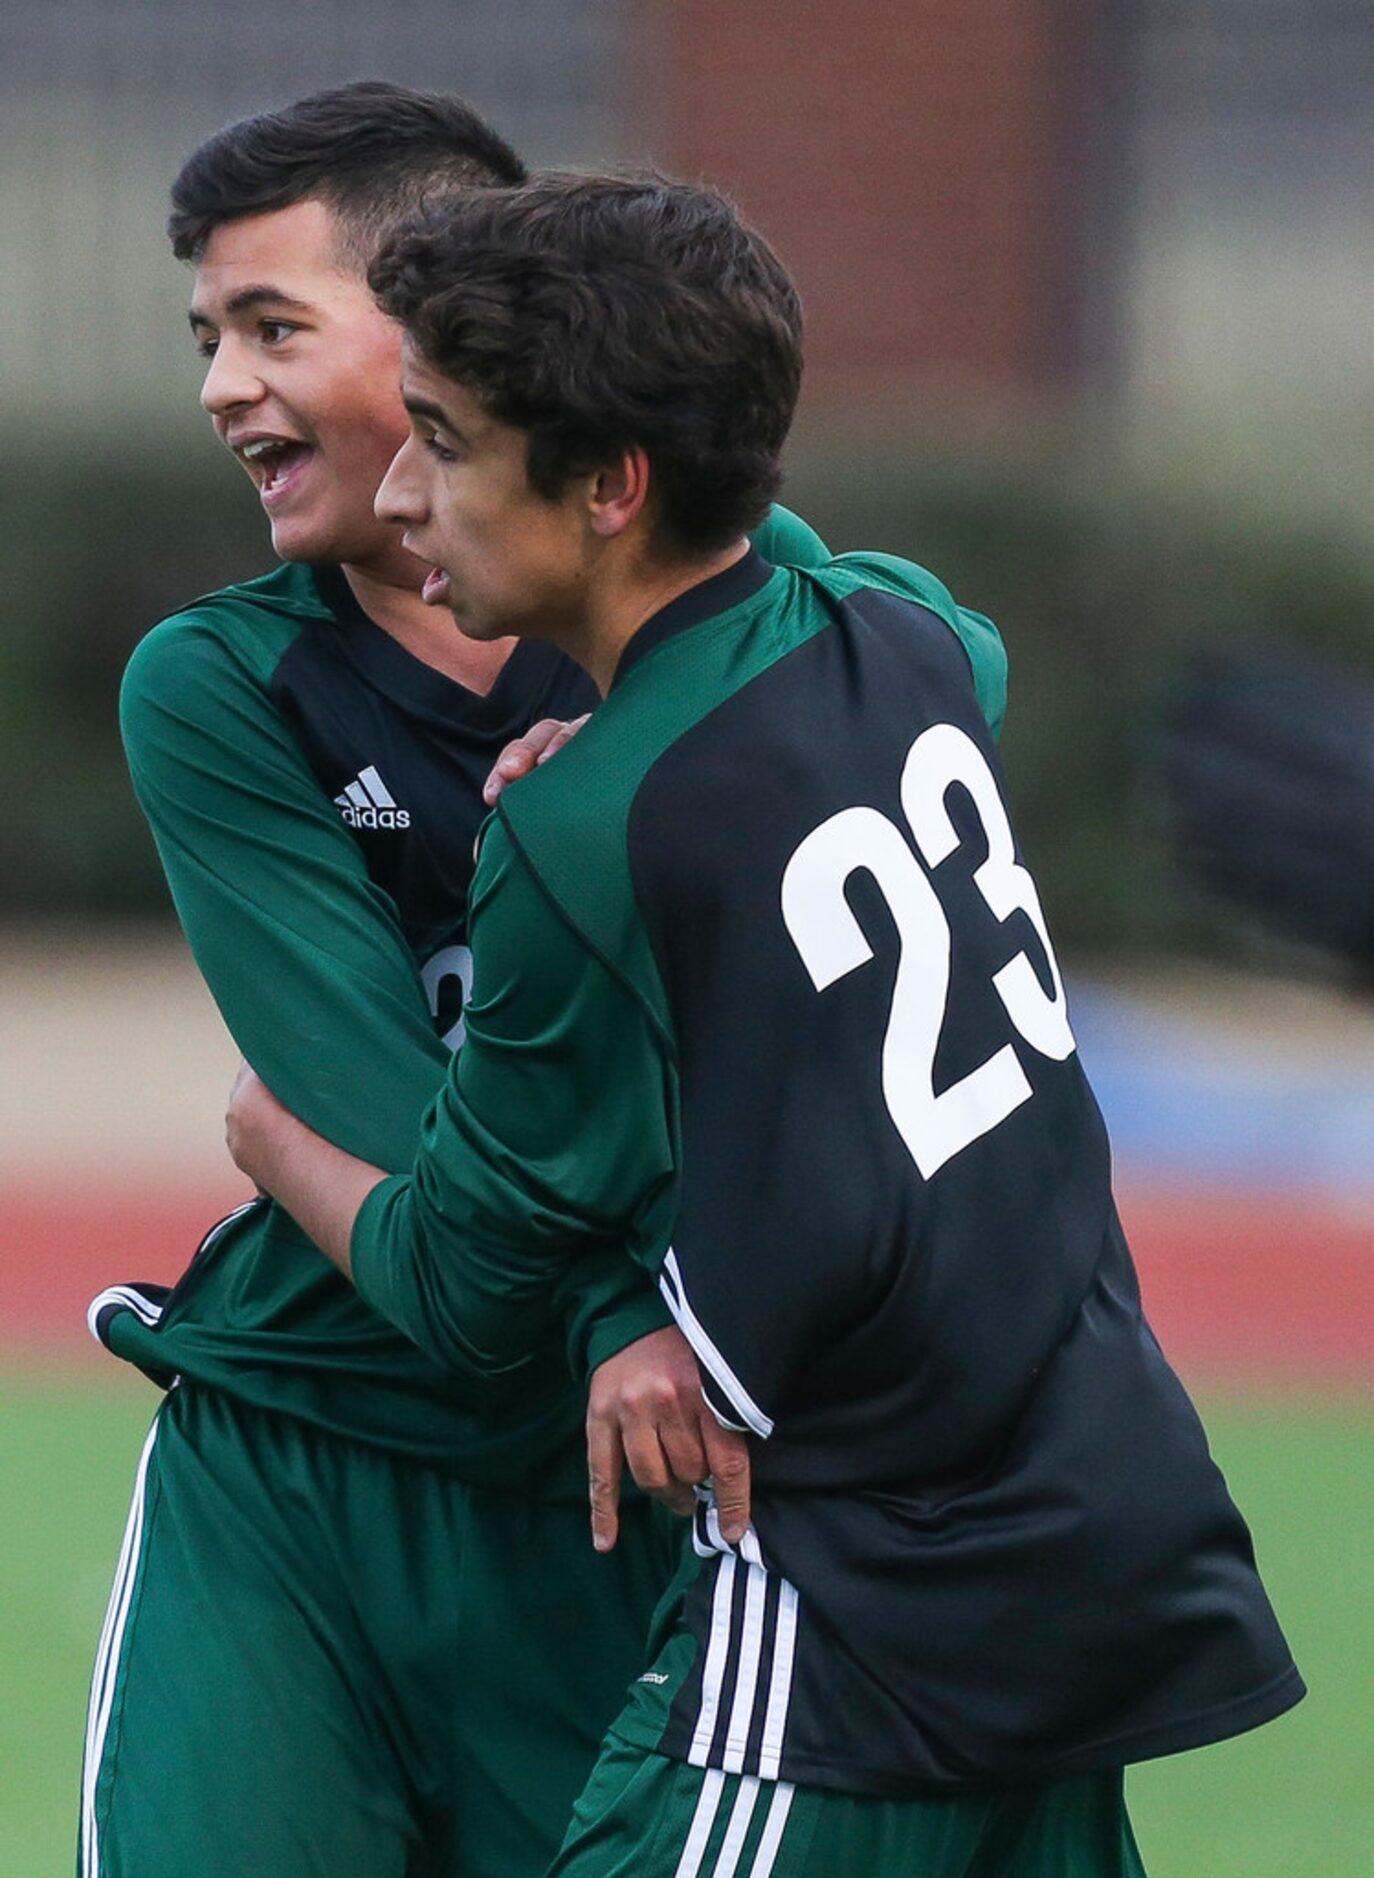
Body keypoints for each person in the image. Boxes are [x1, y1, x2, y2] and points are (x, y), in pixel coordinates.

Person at [227, 172, 1303, 1876]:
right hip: (1092, 1513)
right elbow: (888, 638)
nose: (403, 488)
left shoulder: (580, 842)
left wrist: (274, 1137)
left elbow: (464, 1280)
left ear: (605, 485)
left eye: (440, 436)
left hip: (863, 1610)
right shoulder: (901, 632)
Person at [84, 83, 829, 1878]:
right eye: (207, 338)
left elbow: (944, 666)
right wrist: (610, 1321)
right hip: (310, 1452)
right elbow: (377, 1114)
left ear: (448, 328)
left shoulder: (738, 604)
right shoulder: (217, 684)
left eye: (274, 327)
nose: (219, 388)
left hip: (621, 1500)